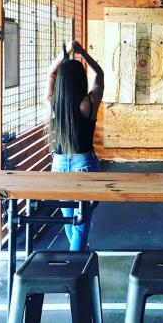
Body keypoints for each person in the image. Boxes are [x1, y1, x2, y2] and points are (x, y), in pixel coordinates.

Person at [47, 40, 104, 251]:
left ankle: (77, 255)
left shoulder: (55, 103)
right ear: (81, 79)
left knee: (69, 216)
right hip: (84, 164)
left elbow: (51, 74)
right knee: (82, 221)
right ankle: (75, 261)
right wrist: (82, 53)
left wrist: (67, 53)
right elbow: (100, 75)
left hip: (59, 165)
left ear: (61, 81)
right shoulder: (88, 103)